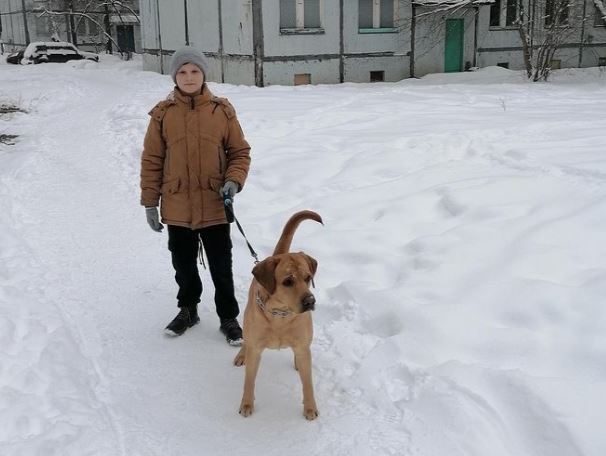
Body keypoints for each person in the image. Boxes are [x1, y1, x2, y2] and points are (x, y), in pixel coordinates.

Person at [140, 46, 251, 345]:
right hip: (177, 205)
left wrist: (233, 181)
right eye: (183, 72)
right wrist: (150, 202)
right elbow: (152, 160)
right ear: (174, 76)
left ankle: (228, 317)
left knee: (221, 265)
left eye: (195, 71)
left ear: (203, 74)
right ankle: (188, 310)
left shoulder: (221, 110)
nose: (189, 77)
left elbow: (239, 152)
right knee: (183, 265)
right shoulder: (163, 115)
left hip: (215, 204)